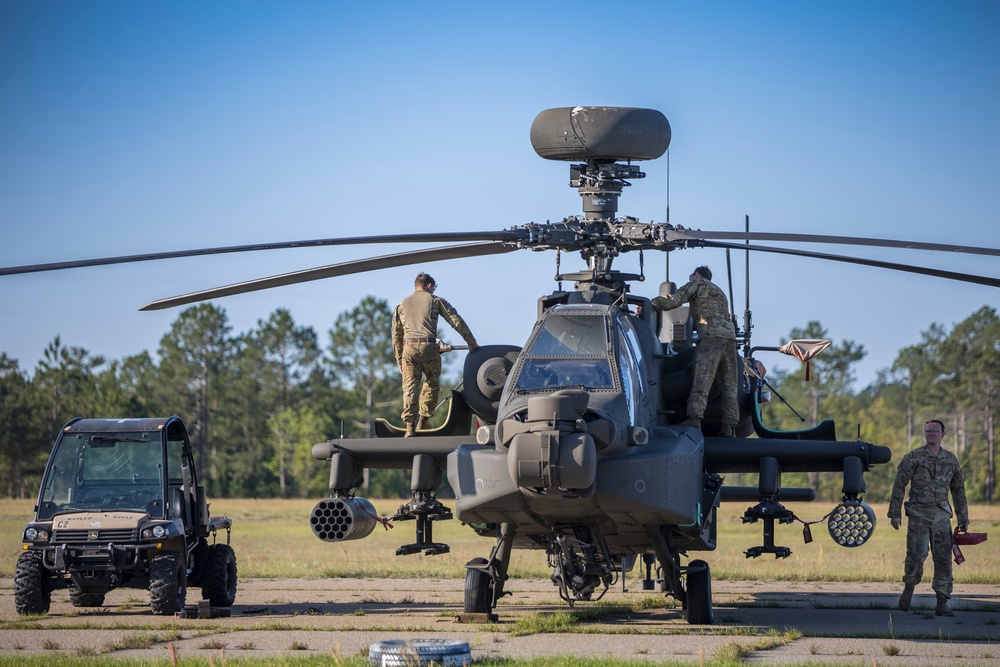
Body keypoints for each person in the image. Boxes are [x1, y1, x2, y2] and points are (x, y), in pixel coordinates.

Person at [888, 418, 969, 616]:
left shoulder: (950, 459)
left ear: (942, 434)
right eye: (927, 431)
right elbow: (899, 484)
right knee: (916, 554)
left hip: (942, 516)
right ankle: (908, 589)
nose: (931, 434)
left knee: (943, 559)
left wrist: (963, 517)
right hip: (918, 514)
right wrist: (895, 513)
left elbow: (958, 490)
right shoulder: (913, 457)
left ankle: (942, 602)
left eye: (934, 431)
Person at [650, 266, 739, 436]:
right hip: (729, 340)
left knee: (702, 379)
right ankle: (729, 427)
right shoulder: (720, 292)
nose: (691, 278)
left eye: (691, 276)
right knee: (729, 387)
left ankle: (694, 420)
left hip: (710, 337)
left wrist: (652, 303)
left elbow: (673, 301)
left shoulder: (698, 284)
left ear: (697, 275)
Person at [392, 273, 479, 437]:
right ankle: (423, 421)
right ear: (429, 286)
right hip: (428, 347)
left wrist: (399, 359)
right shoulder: (435, 300)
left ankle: (410, 427)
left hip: (408, 349)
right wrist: (471, 342)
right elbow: (456, 321)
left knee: (410, 388)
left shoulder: (401, 304)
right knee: (431, 383)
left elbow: (396, 335)